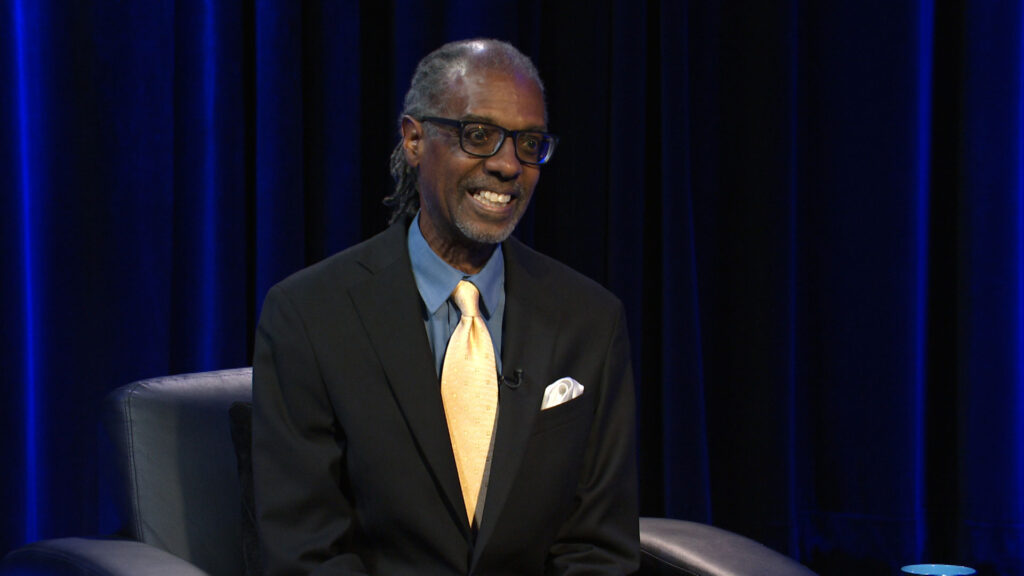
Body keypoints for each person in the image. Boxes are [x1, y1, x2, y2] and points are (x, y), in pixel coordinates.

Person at [252, 38, 639, 576]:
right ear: (414, 139)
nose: (508, 165)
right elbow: (307, 554)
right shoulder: (309, 316)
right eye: (478, 136)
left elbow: (597, 547)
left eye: (529, 144)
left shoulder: (590, 321)